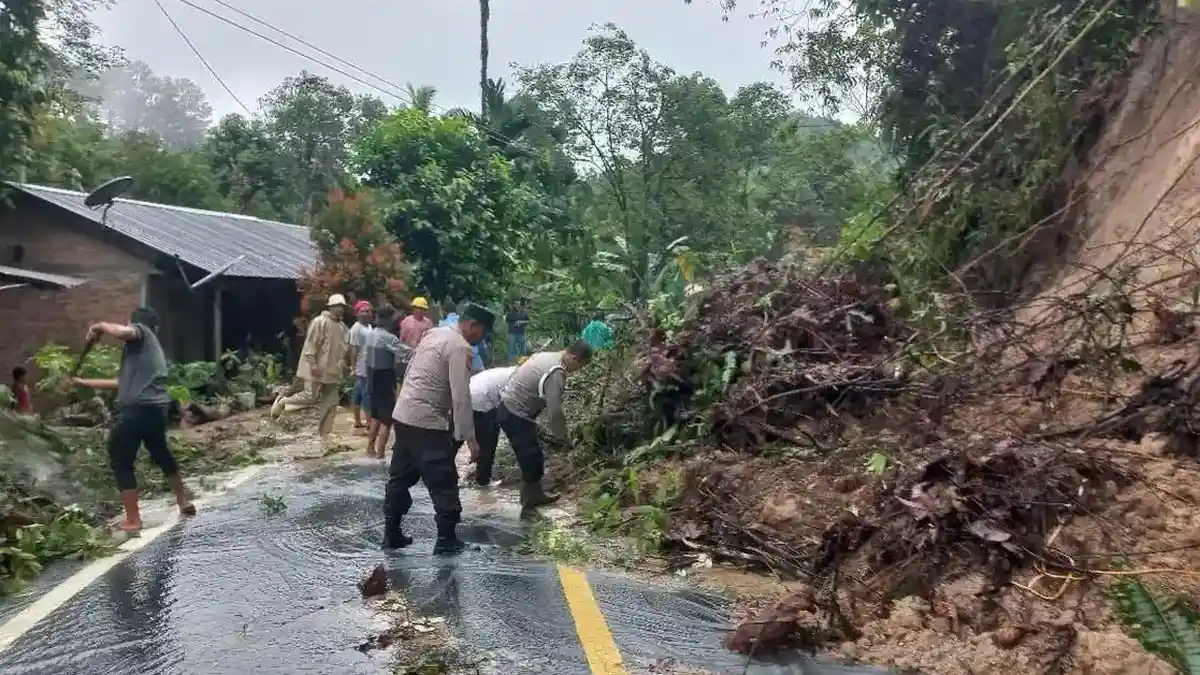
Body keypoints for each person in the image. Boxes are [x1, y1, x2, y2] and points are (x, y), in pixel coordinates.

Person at [383, 303, 494, 554]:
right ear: (473, 325)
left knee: (400, 477)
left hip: (404, 414)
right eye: (483, 332)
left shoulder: (434, 333)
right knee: (444, 481)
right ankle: (447, 541)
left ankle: (392, 533)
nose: (482, 338)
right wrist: (469, 437)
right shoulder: (460, 347)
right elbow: (460, 396)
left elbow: (411, 370)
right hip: (427, 422)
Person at [72, 307, 196, 532]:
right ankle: (183, 501)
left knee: (119, 456)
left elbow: (123, 332)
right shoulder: (145, 354)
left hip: (138, 410)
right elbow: (119, 384)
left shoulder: (142, 333)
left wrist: (99, 326)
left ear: (135, 323)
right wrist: (82, 382)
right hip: (156, 411)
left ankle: (133, 519)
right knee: (161, 453)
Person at [497, 340, 593, 517]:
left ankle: (536, 495)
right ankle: (528, 508)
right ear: (573, 357)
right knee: (531, 459)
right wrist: (563, 437)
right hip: (515, 413)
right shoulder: (556, 372)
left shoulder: (548, 356)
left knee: (534, 455)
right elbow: (555, 411)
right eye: (580, 365)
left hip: (510, 407)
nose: (577, 370)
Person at [271, 294, 349, 439]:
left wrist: (344, 365)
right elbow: (311, 344)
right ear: (330, 307)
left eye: (342, 306)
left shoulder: (342, 327)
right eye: (337, 306)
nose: (340, 309)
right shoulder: (320, 322)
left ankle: (325, 433)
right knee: (310, 396)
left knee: (331, 403)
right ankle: (283, 401)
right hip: (317, 367)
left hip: (333, 370)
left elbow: (344, 349)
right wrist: (312, 364)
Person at [364, 305, 411, 459]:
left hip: (372, 377)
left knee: (376, 417)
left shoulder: (371, 334)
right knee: (387, 420)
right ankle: (380, 454)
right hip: (385, 379)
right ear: (388, 319)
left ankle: (370, 448)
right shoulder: (388, 338)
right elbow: (406, 352)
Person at [468, 365, 517, 486]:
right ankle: (483, 482)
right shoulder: (519, 378)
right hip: (479, 397)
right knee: (488, 442)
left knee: (455, 439)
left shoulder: (512, 371)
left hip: (469, 390)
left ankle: (444, 475)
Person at [347, 300, 375, 430]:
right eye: (363, 311)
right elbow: (353, 349)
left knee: (358, 393)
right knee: (366, 394)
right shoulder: (357, 328)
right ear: (357, 313)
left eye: (368, 311)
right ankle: (369, 421)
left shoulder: (368, 326)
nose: (366, 313)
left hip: (369, 363)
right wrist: (353, 367)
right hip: (362, 365)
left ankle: (357, 420)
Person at [506, 298, 530, 364]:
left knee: (522, 347)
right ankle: (511, 362)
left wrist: (521, 322)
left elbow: (528, 321)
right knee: (511, 347)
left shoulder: (524, 312)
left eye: (518, 304)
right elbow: (507, 321)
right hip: (512, 332)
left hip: (521, 332)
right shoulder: (510, 312)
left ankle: (522, 361)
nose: (517, 305)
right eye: (516, 304)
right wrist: (514, 324)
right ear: (514, 305)